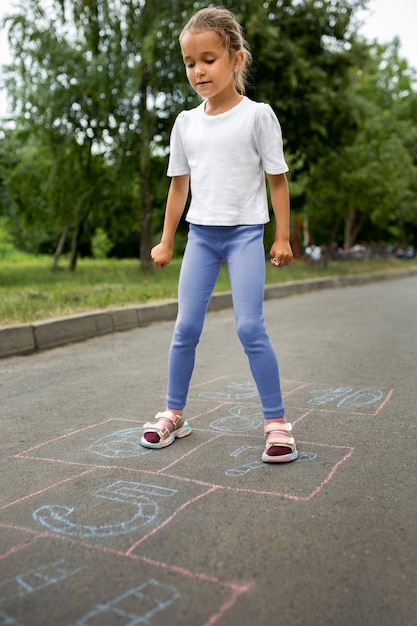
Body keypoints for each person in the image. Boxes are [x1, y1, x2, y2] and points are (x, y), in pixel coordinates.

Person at [141, 6, 298, 463]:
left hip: (246, 234)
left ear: (236, 58)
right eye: (190, 62)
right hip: (202, 237)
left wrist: (282, 236)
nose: (198, 71)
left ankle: (276, 422)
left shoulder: (258, 116)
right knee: (186, 326)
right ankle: (173, 414)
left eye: (208, 59)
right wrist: (168, 238)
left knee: (250, 326)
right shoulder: (186, 123)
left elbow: (277, 179)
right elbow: (178, 186)